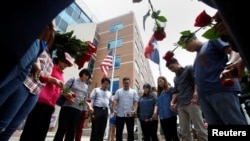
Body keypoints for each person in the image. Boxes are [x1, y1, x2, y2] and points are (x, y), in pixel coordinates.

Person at [0, 23, 68, 141]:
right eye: (66, 63)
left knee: (14, 126)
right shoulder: (38, 45)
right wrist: (45, 77)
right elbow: (34, 63)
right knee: (5, 122)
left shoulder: (53, 63)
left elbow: (59, 86)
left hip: (37, 93)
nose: (66, 65)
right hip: (28, 86)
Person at [0, 0, 74, 86]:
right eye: (66, 63)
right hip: (24, 34)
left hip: (34, 48)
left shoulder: (46, 54)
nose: (65, 66)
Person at [182, 34, 248, 125]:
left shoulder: (212, 41)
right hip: (204, 96)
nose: (186, 48)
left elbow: (233, 50)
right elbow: (197, 78)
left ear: (194, 38)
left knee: (233, 122)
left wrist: (231, 65)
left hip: (220, 88)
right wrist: (196, 93)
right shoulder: (195, 60)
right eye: (183, 47)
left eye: (186, 43)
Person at [19, 52, 74, 141]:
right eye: (65, 62)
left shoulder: (61, 74)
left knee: (42, 131)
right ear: (59, 60)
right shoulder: (51, 67)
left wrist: (68, 94)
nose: (65, 65)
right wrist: (51, 79)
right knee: (32, 128)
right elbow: (40, 76)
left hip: (50, 105)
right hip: (41, 101)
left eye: (67, 64)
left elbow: (61, 86)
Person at [166, 58, 208, 141]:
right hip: (180, 106)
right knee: (184, 132)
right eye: (170, 69)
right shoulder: (175, 78)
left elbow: (196, 80)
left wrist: (196, 92)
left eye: (172, 67)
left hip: (192, 102)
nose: (171, 70)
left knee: (199, 129)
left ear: (177, 63)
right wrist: (172, 102)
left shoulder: (189, 68)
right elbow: (176, 91)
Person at [53, 69, 92, 141]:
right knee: (62, 128)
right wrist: (69, 97)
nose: (86, 77)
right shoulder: (73, 80)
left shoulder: (86, 87)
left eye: (88, 76)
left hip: (78, 110)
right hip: (67, 107)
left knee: (72, 129)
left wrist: (85, 108)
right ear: (82, 73)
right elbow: (64, 89)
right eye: (85, 75)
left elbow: (84, 99)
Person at [112, 77, 139, 141]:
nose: (126, 84)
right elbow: (115, 100)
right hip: (120, 114)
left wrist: (134, 110)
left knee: (130, 131)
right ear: (123, 83)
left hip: (130, 114)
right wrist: (113, 109)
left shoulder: (134, 92)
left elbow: (135, 102)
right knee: (118, 131)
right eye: (125, 83)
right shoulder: (118, 91)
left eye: (127, 83)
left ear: (130, 83)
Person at [157, 76, 179, 141]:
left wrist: (175, 104)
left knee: (174, 134)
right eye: (158, 82)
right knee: (167, 135)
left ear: (165, 81)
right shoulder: (160, 93)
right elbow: (158, 104)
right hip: (162, 117)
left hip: (171, 115)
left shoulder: (171, 89)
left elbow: (176, 97)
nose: (159, 83)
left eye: (160, 81)